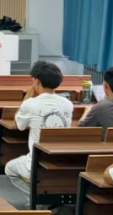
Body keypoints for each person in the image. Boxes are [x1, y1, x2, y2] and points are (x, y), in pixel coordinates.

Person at [4, 61, 75, 192]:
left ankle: (33, 198)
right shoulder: (68, 104)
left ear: (37, 81)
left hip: (37, 163)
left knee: (9, 168)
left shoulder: (30, 104)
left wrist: (26, 98)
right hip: (62, 161)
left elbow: (19, 125)